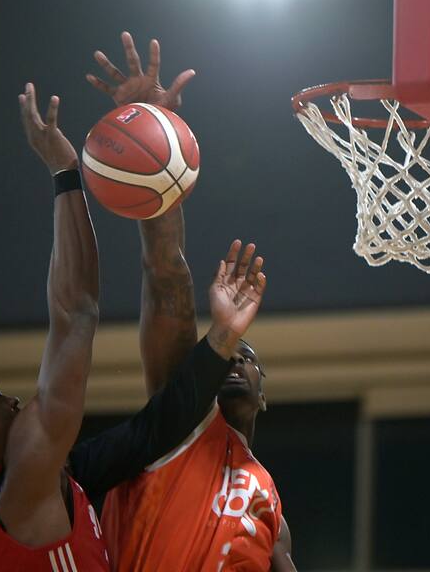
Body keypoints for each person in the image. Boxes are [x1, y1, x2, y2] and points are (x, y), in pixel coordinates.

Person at [0, 78, 269, 570]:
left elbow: (156, 426)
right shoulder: (24, 483)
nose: (13, 400)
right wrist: (64, 171)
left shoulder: (31, 487)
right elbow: (75, 315)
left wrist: (223, 337)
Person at [86, 32, 297, 572]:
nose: (230, 360)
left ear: (263, 392)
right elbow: (166, 276)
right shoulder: (174, 419)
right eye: (226, 353)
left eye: (243, 356)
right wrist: (151, 127)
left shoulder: (267, 496)